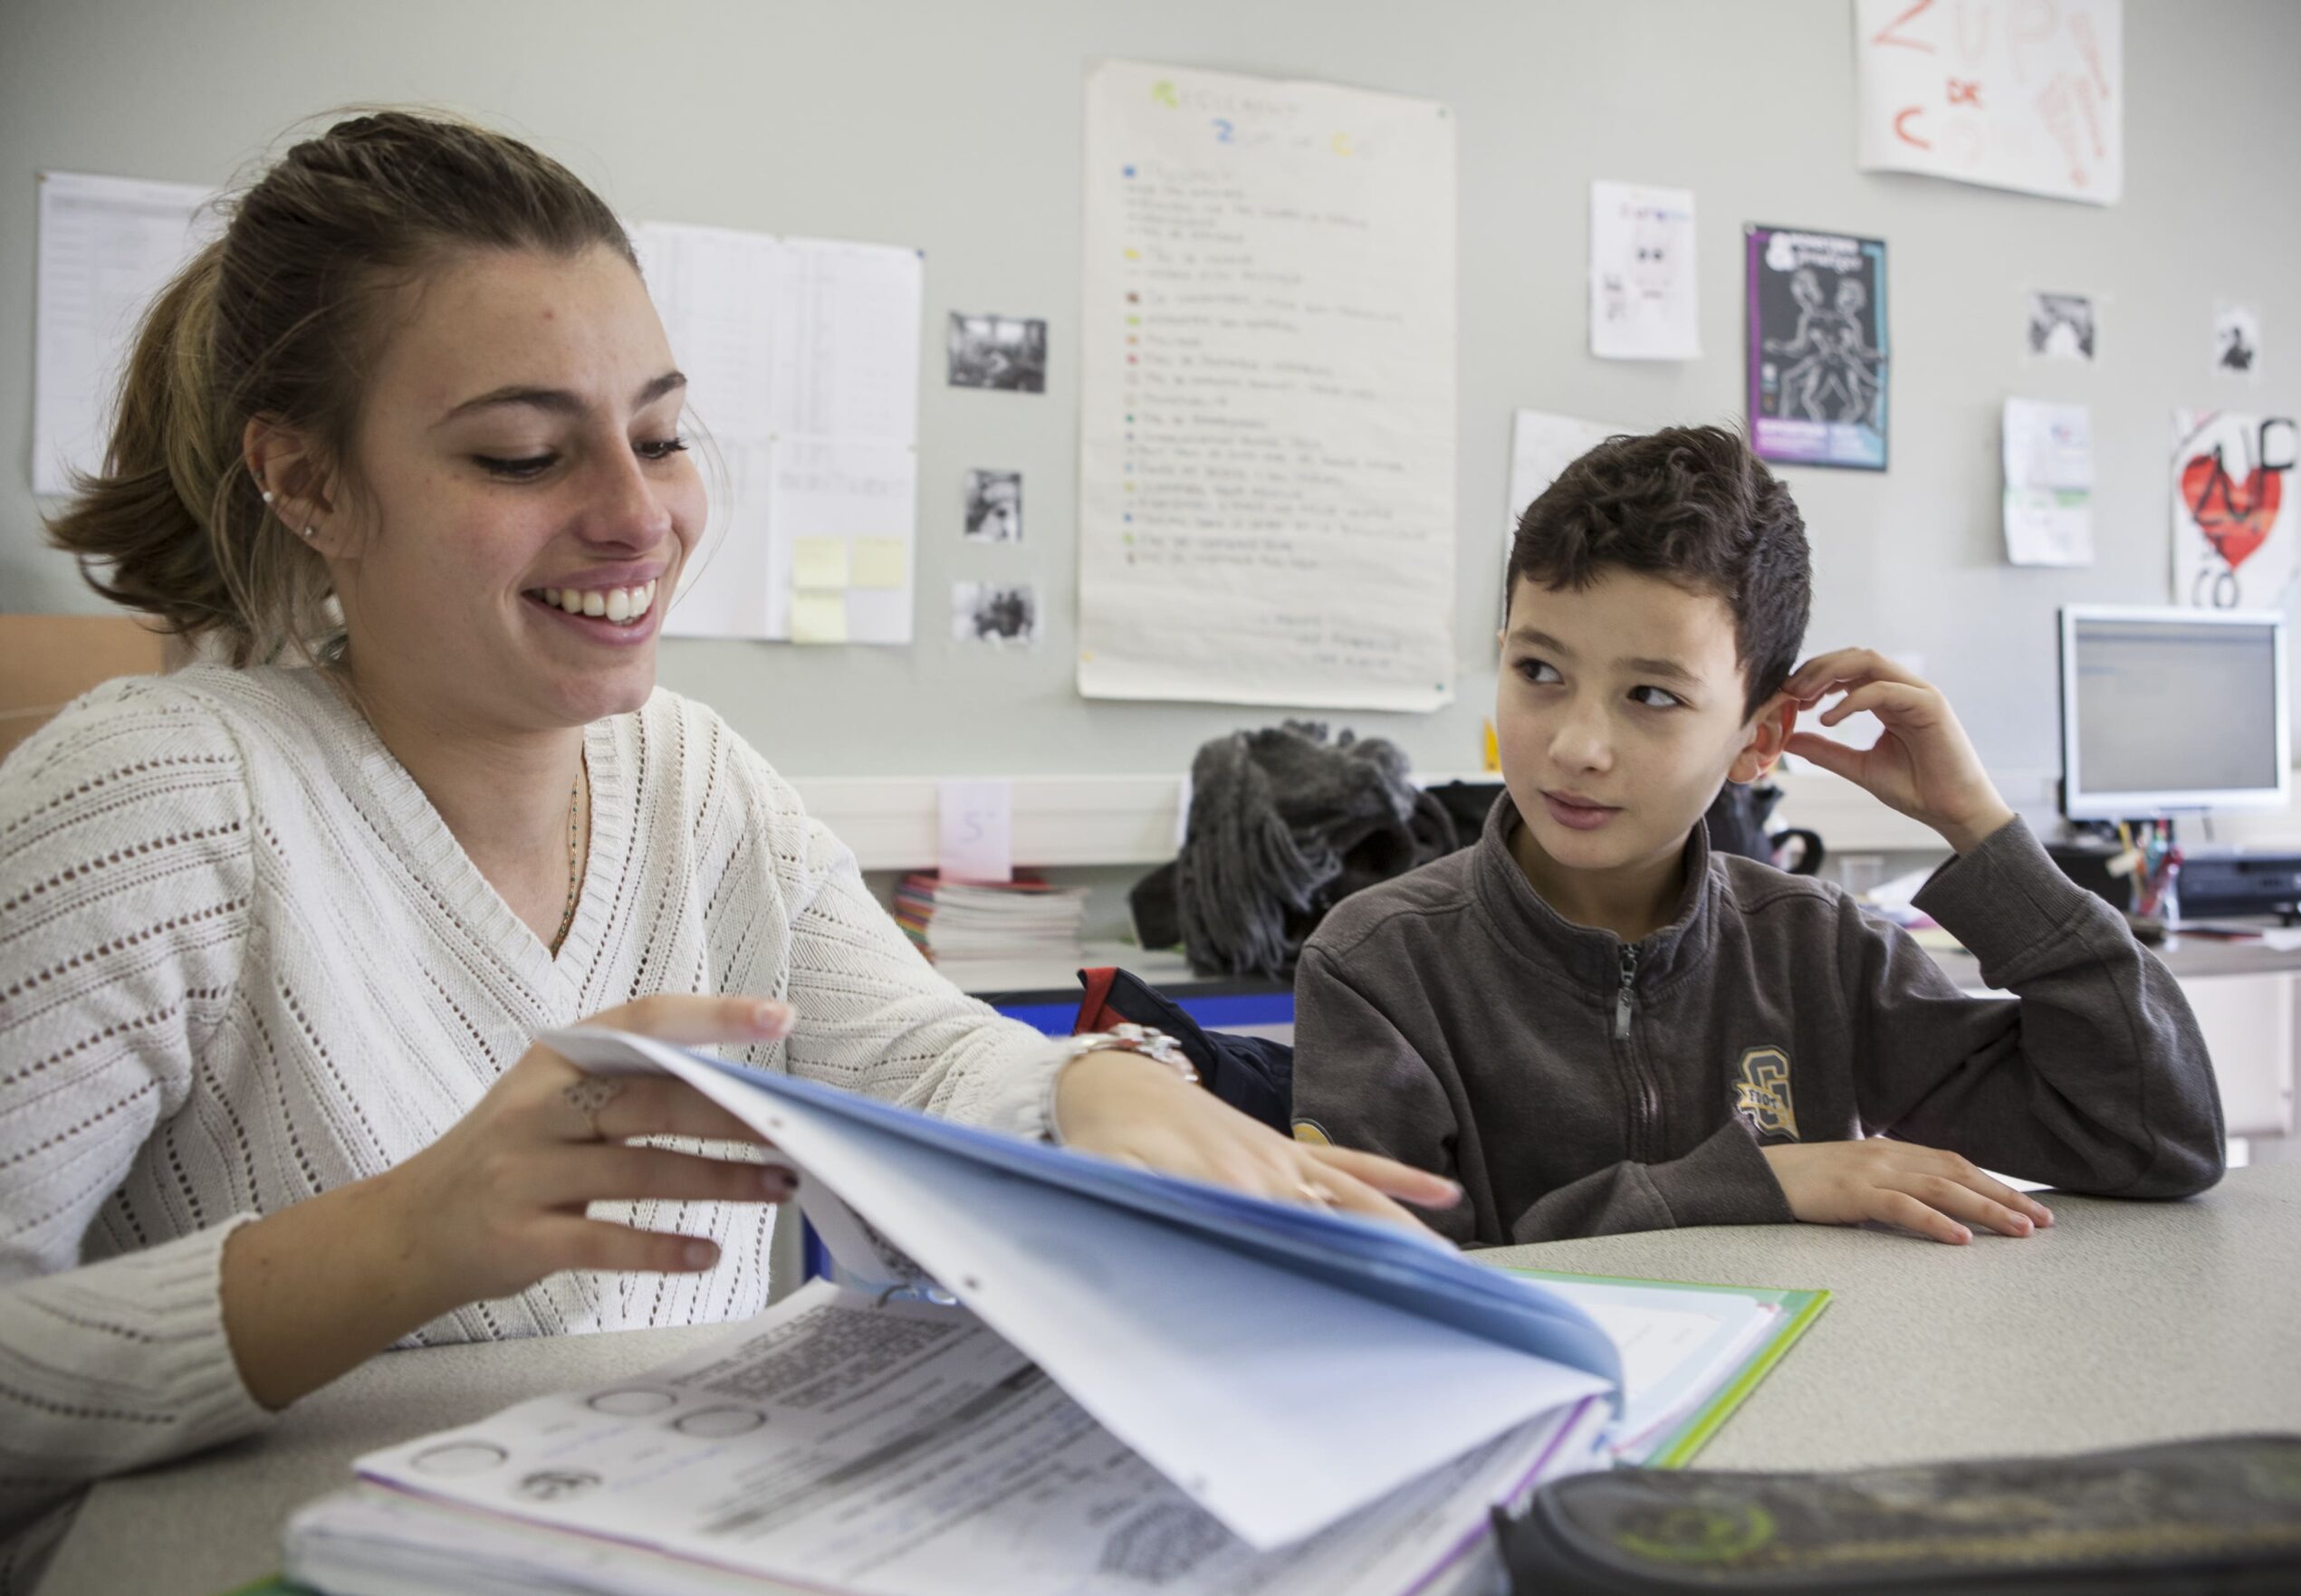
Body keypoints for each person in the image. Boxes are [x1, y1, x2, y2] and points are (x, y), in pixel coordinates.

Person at [0, 110, 1454, 1587]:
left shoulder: (693, 778)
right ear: (309, 485)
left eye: (662, 433)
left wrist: (1104, 1085)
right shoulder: (157, 796)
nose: (639, 517)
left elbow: (927, 1058)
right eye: (521, 454)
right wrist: (400, 1241)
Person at [1290, 425, 2225, 1248]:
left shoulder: (1816, 948)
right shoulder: (1380, 963)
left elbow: (2150, 1139)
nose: (1575, 745)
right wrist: (1758, 1181)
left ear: (1759, 737)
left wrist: (1976, 825)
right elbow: (1398, 1283)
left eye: (1651, 694)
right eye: (1537, 668)